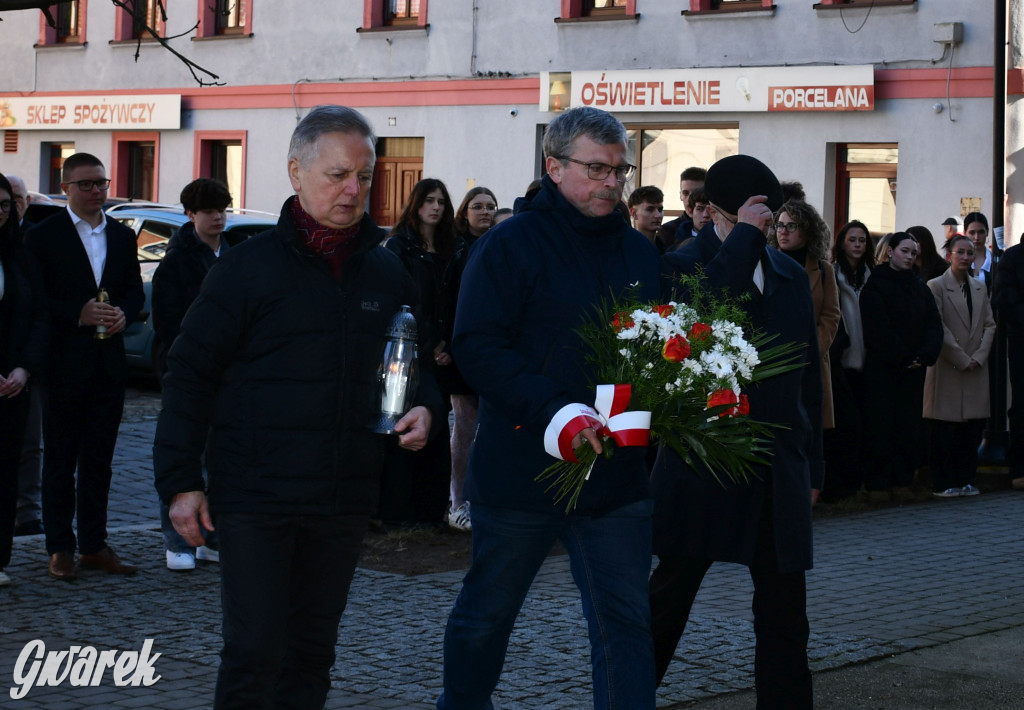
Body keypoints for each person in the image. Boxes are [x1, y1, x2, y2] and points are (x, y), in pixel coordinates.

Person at [153, 105, 442, 709]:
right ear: (295, 172)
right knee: (255, 653)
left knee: (311, 654)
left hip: (343, 496)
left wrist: (424, 407)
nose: (353, 190)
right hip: (256, 495)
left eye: (364, 176)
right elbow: (189, 375)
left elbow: (412, 364)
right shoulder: (246, 269)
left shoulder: (387, 271)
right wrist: (181, 482)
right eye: (338, 175)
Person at [437, 106, 659, 710]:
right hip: (522, 470)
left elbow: (658, 344)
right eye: (597, 169)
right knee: (486, 617)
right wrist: (556, 411)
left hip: (615, 476)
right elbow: (477, 347)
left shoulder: (640, 253)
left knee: (626, 624)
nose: (612, 183)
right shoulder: (509, 244)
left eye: (619, 170)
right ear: (554, 167)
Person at [650, 154, 822, 708]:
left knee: (785, 612)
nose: (765, 231)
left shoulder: (789, 275)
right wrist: (742, 239)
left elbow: (807, 377)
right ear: (713, 213)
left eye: (768, 223)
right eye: (751, 221)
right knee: (669, 598)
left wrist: (813, 464)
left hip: (776, 465)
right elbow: (701, 315)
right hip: (705, 462)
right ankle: (627, 694)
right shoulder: (682, 266)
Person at [26, 153, 144, 581]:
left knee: (99, 460)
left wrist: (124, 314)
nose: (97, 191)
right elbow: (34, 299)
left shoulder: (122, 235)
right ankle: (60, 546)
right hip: (62, 364)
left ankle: (94, 544)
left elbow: (133, 291)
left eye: (101, 183)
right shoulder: (43, 236)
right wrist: (77, 313)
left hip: (108, 364)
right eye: (87, 184)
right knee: (60, 459)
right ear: (66, 189)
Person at [151, 177, 233, 570]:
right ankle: (178, 542)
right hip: (187, 369)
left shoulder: (234, 255)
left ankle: (210, 538)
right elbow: (168, 322)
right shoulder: (176, 260)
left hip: (229, 372)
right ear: (190, 214)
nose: (218, 218)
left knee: (219, 457)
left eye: (222, 210)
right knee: (184, 454)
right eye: (209, 211)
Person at [382, 177, 456, 528]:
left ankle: (431, 511)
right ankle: (399, 512)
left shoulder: (452, 248)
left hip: (444, 355)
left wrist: (449, 345)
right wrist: (432, 345)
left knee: (439, 429)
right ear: (416, 204)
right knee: (405, 426)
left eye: (441, 201)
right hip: (409, 353)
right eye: (429, 200)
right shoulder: (399, 247)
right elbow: (402, 302)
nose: (436, 207)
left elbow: (455, 302)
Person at [859, 232, 943, 499]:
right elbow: (877, 328)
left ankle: (903, 480)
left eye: (913, 253)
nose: (909, 257)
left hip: (914, 370)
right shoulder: (876, 285)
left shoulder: (920, 287)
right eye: (904, 251)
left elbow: (934, 324)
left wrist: (924, 355)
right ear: (890, 252)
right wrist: (904, 356)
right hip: (884, 370)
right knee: (881, 426)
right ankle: (878, 483)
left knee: (908, 427)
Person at [0, 173, 48, 588]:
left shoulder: (21, 253)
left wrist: (24, 368)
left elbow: (38, 316)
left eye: (5, 204)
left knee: (7, 468)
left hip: (13, 380)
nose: (1, 212)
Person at [443, 186, 499, 532]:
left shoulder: (499, 245)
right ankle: (457, 502)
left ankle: (482, 497)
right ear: (464, 212)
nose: (485, 212)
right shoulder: (457, 250)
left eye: (490, 206)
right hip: (462, 349)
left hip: (492, 350)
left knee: (489, 428)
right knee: (464, 427)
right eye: (478, 206)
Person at [923, 234, 995, 498]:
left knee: (971, 428)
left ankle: (966, 478)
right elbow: (938, 327)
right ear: (949, 255)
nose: (965, 257)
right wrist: (962, 358)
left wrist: (979, 356)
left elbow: (990, 325)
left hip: (976, 366)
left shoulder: (979, 287)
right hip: (948, 366)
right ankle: (943, 482)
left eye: (969, 252)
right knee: (945, 428)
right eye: (960, 252)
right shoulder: (936, 285)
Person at [770, 199, 841, 430]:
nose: (783, 232)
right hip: (774, 360)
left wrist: (810, 350)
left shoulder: (823, 269)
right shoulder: (766, 263)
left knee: (810, 428)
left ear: (807, 230)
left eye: (791, 226)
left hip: (811, 362)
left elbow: (831, 316)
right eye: (780, 225)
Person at [825, 220, 875, 500]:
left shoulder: (872, 276)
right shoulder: (832, 274)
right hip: (841, 359)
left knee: (865, 422)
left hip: (868, 358)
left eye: (862, 240)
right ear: (842, 243)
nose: (857, 245)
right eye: (852, 239)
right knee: (844, 423)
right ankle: (840, 484)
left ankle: (859, 481)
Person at [7, 174, 44, 538]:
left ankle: (27, 510)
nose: (11, 207)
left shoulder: (32, 242)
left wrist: (24, 366)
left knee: (30, 442)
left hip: (24, 366)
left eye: (16, 199)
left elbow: (39, 312)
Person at [993, 237, 1024, 492]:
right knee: (1022, 405)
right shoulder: (1013, 258)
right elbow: (1005, 300)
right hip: (1022, 343)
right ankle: (1020, 469)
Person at [657, 166, 705, 250]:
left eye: (696, 193)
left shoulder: (720, 227)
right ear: (680, 195)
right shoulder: (668, 230)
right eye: (686, 193)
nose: (690, 199)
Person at [963, 212, 993, 292]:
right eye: (972, 232)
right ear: (965, 233)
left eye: (981, 232)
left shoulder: (996, 261)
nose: (976, 237)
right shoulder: (958, 261)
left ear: (987, 232)